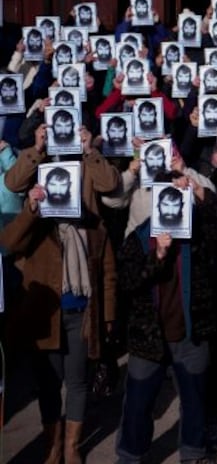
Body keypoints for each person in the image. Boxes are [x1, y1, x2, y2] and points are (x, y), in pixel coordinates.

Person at [2, 125, 120, 464]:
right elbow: (8, 241)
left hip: (82, 312)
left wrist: (88, 148)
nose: (60, 186)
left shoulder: (90, 223)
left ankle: (71, 445)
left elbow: (108, 271)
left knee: (78, 382)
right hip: (45, 313)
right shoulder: (38, 220)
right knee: (49, 384)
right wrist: (32, 205)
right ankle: (53, 445)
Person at [114, 172, 217, 464]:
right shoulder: (139, 238)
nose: (171, 205)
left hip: (192, 331)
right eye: (165, 197)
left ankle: (193, 452)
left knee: (195, 399)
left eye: (178, 196)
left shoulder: (200, 234)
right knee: (138, 402)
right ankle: (131, 454)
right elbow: (128, 283)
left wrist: (197, 191)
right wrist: (157, 257)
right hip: (149, 335)